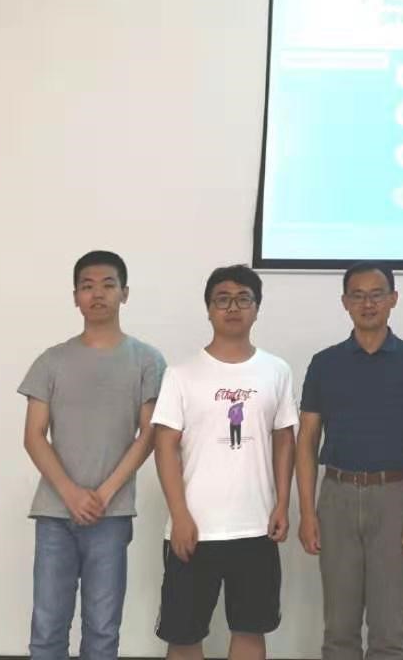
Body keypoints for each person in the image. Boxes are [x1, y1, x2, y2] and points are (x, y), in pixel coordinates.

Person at [19, 250, 165, 660]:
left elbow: (149, 434)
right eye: (87, 286)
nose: (97, 294)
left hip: (111, 514)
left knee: (102, 630)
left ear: (124, 293)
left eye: (107, 285)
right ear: (75, 297)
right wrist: (71, 494)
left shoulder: (147, 360)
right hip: (54, 513)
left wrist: (102, 494)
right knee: (47, 628)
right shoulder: (51, 360)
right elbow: (33, 436)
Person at [152, 265, 298, 660]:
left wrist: (282, 504)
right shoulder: (181, 374)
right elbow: (164, 446)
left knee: (250, 630)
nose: (233, 307)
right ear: (209, 309)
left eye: (243, 299)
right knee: (184, 636)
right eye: (223, 299)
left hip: (255, 527)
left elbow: (285, 439)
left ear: (256, 308)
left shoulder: (276, 370)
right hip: (193, 528)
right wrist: (179, 515)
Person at [296, 262, 403, 660]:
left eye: (377, 294)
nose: (368, 303)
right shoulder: (325, 364)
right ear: (345, 302)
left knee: (388, 629)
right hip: (337, 497)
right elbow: (307, 440)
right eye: (357, 295)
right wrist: (307, 511)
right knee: (339, 629)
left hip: (395, 498)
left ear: (393, 299)